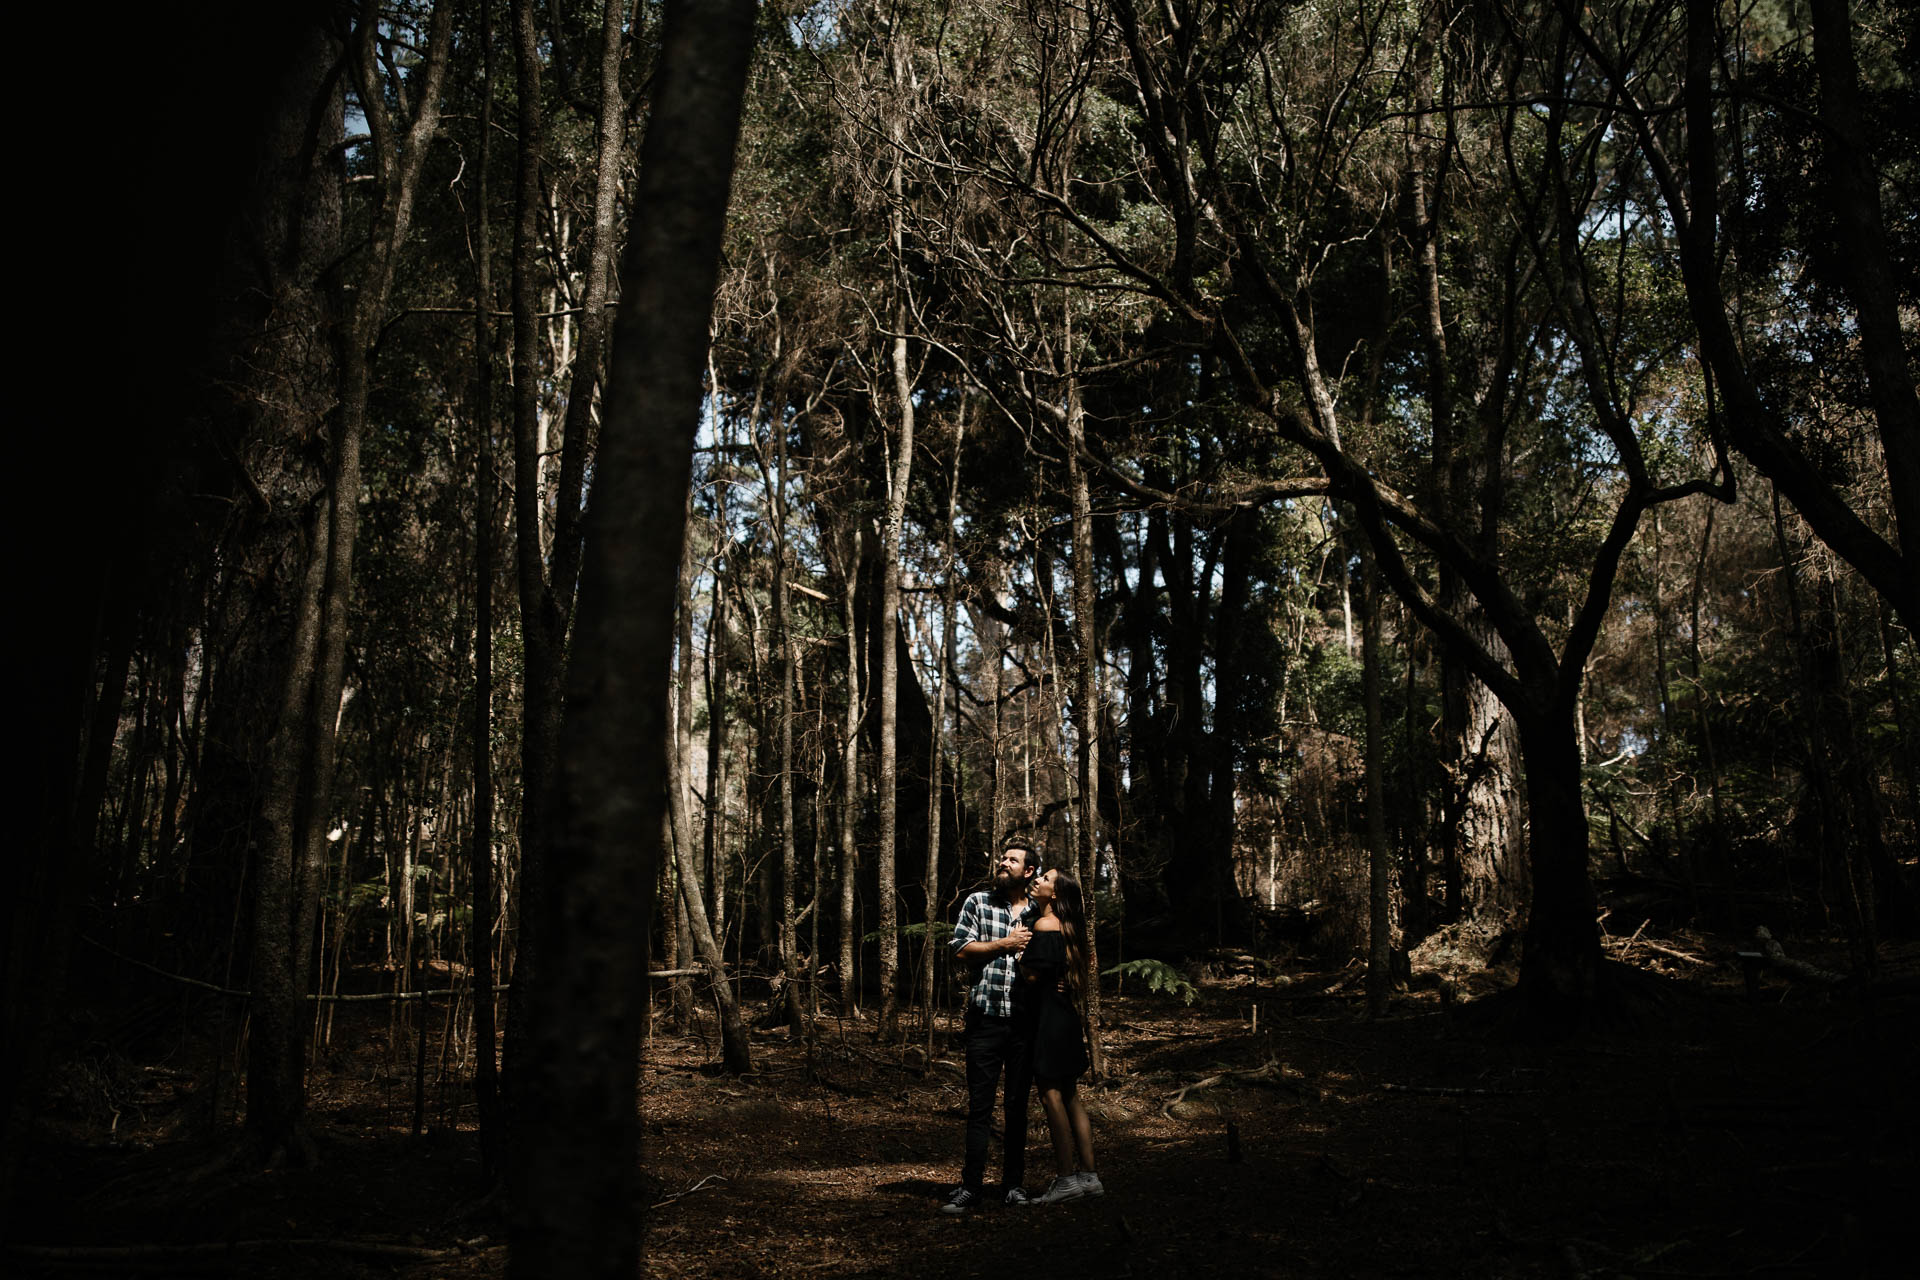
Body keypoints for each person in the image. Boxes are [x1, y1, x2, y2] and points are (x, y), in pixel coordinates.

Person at [941, 838, 1039, 1215]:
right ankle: (970, 1187)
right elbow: (960, 949)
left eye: (1012, 860)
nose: (1003, 863)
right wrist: (1006, 943)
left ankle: (1013, 1186)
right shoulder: (978, 902)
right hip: (984, 1019)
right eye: (1003, 858)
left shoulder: (1039, 910)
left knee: (1017, 1107)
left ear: (1028, 871)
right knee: (979, 1107)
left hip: (1025, 1024)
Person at [1018, 868, 1103, 1204]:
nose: (1037, 880)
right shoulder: (1069, 928)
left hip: (1048, 1020)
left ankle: (1066, 1179)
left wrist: (1017, 954)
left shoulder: (1045, 926)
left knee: (1050, 1096)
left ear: (1054, 894)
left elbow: (1030, 976)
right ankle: (1089, 1176)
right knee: (1070, 1095)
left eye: (1045, 879)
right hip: (1064, 1017)